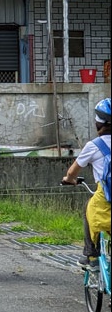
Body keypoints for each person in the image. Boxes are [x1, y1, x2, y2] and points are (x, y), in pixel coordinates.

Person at [61, 97, 111, 269]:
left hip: (105, 196)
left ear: (99, 124)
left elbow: (71, 172)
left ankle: (91, 256)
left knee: (89, 210)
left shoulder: (93, 146)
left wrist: (70, 180)